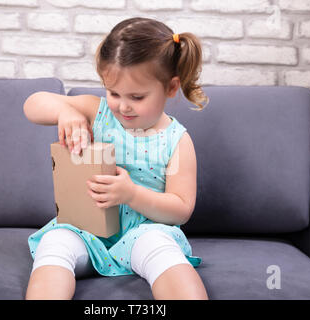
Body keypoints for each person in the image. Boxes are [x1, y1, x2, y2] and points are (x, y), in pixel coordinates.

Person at [23, 17, 210, 300]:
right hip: (86, 230)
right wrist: (66, 112)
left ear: (171, 88)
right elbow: (33, 104)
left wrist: (131, 194)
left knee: (161, 248)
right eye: (113, 93)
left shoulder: (176, 140)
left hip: (143, 234)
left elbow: (181, 209)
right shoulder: (98, 113)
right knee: (56, 241)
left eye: (137, 96)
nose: (123, 106)